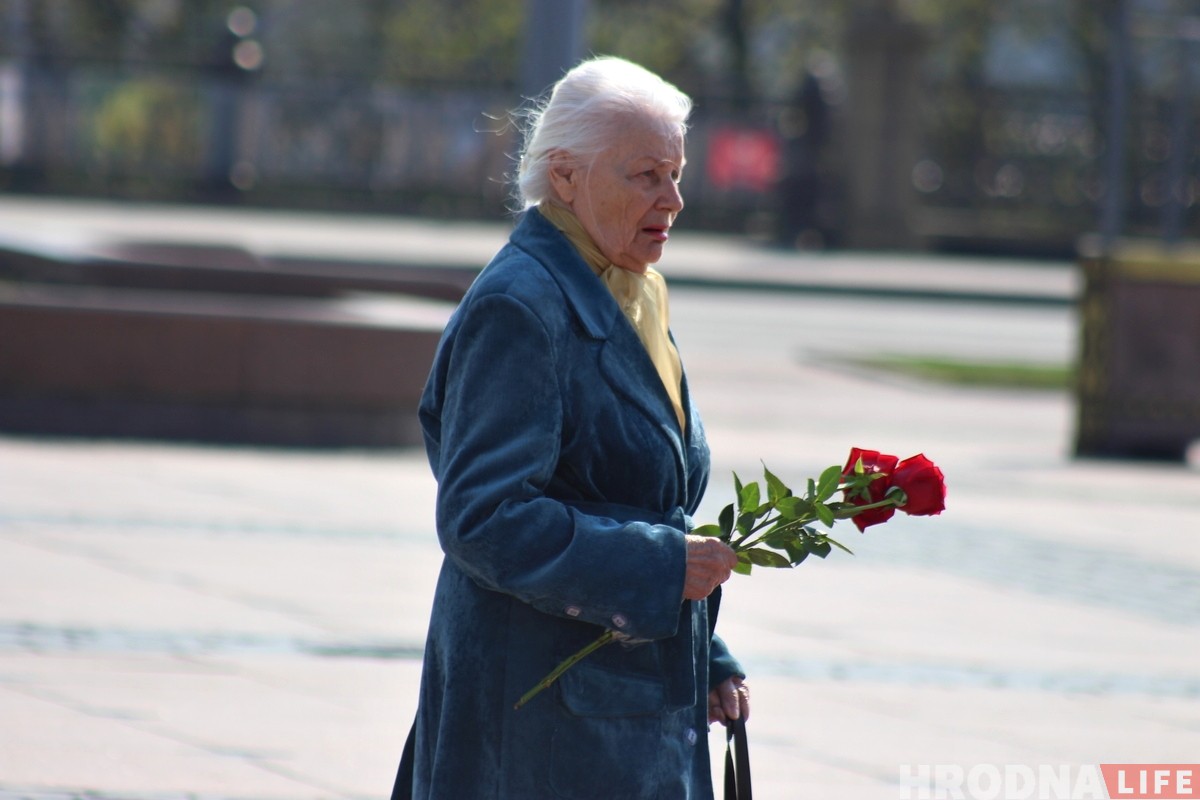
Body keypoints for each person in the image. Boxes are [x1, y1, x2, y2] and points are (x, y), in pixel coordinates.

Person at [391, 55, 750, 800]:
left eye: (676, 173)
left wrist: (702, 651)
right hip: (535, 726)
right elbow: (484, 518)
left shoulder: (631, 289)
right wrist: (661, 568)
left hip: (616, 710)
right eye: (645, 175)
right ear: (564, 177)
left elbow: (644, 500)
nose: (674, 198)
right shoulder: (522, 308)